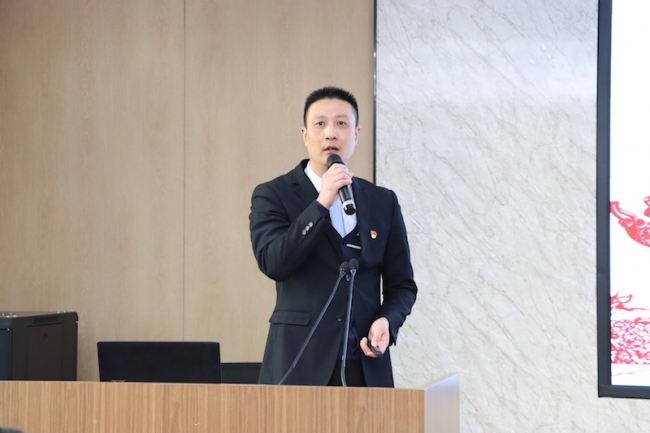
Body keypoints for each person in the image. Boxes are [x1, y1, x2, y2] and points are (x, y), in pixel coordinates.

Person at [249, 86, 417, 387]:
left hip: (364, 365)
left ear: (356, 134)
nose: (331, 133)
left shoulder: (382, 201)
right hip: (299, 364)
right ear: (305, 135)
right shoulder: (273, 194)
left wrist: (387, 321)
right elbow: (274, 263)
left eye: (341, 123)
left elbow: (402, 285)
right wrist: (320, 204)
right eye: (320, 124)